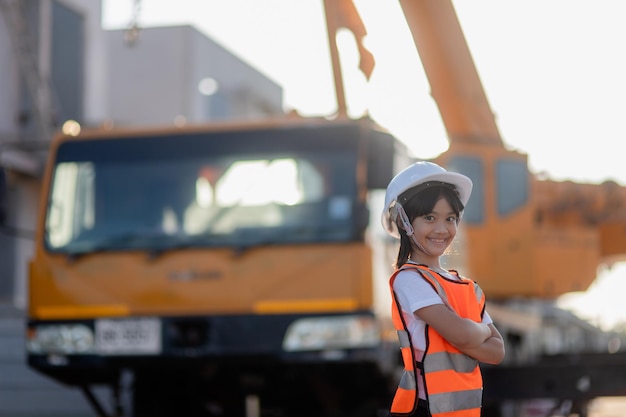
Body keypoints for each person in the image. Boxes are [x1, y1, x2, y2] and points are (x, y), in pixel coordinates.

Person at [381, 161, 505, 417]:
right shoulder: (410, 279)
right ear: (404, 221)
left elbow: (497, 352)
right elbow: (463, 335)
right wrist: (478, 332)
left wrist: (467, 334)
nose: (442, 229)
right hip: (424, 410)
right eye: (429, 217)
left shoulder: (466, 286)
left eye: (450, 218)